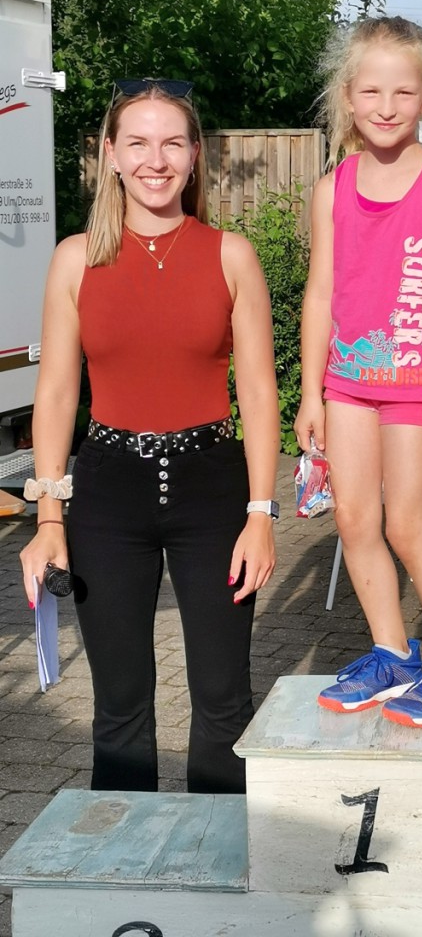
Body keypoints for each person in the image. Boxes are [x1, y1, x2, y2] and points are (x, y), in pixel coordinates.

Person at [19, 78, 281, 793]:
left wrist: (262, 515)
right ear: (110, 154)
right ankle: (124, 853)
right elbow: (57, 393)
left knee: (224, 703)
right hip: (108, 493)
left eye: (172, 143)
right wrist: (48, 519)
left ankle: (218, 851)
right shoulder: (75, 259)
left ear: (195, 156)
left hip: (213, 490)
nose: (154, 160)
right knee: (119, 709)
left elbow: (259, 393)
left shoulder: (231, 255)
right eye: (137, 142)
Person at [294, 17, 422, 727]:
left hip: (417, 389)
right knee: (354, 518)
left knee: (409, 526)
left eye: (403, 92)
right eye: (371, 91)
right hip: (348, 385)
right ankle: (392, 653)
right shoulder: (332, 188)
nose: (386, 106)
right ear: (348, 97)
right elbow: (321, 293)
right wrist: (311, 393)